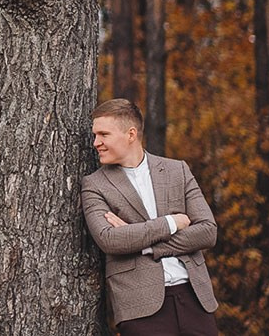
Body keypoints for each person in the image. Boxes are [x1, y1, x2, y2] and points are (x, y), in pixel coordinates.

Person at [80, 98, 219, 335]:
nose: (96, 143)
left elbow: (207, 231)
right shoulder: (94, 185)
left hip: (195, 299)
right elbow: (110, 240)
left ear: (130, 134)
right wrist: (171, 222)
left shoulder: (177, 170)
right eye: (95, 135)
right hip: (140, 307)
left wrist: (143, 243)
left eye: (104, 134)